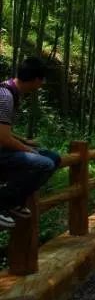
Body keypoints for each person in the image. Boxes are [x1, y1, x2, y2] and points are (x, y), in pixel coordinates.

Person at [0, 57, 59, 228]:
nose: (41, 85)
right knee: (45, 163)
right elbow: (3, 138)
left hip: (3, 148)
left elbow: (3, 130)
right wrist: (28, 150)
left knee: (53, 157)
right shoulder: (6, 97)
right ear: (36, 80)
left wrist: (25, 141)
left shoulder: (9, 90)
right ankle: (4, 201)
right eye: (42, 81)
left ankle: (15, 202)